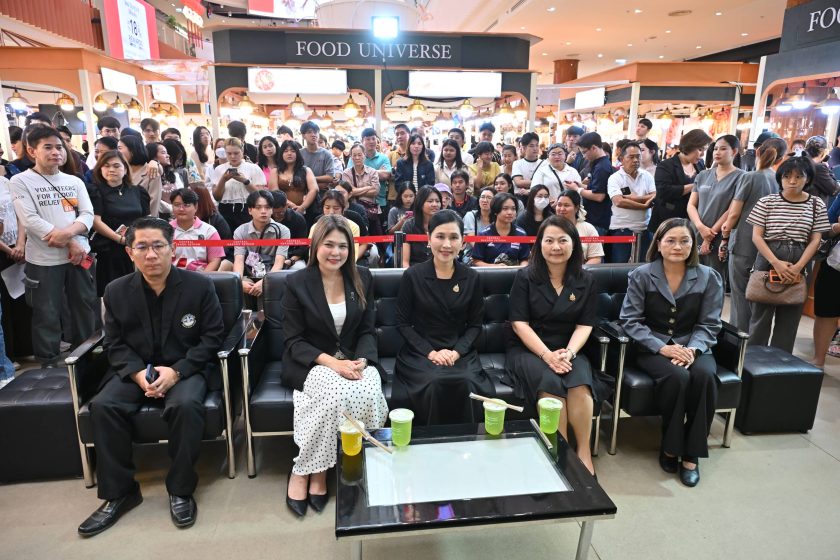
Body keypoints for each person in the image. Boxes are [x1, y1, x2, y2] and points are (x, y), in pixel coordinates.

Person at [77, 217, 224, 536]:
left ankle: (181, 490)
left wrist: (177, 371)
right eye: (142, 247)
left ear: (173, 248)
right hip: (135, 369)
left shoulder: (200, 286)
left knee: (185, 406)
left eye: (158, 245)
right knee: (104, 406)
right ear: (129, 252)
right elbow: (114, 343)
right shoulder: (116, 291)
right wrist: (137, 375)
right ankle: (120, 493)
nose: (151, 254)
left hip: (185, 367)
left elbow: (212, 338)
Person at [282, 215, 388, 516]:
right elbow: (293, 340)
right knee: (333, 396)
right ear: (316, 245)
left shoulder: (362, 277)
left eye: (343, 246)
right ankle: (307, 470)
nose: (336, 252)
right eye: (329, 244)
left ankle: (355, 461)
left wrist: (362, 361)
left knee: (368, 390)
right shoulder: (297, 282)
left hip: (354, 358)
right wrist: (333, 364)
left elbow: (367, 329)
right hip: (312, 360)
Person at [620, 217, 723, 487]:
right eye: (671, 241)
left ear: (693, 245)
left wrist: (693, 349)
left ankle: (692, 454)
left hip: (694, 346)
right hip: (652, 347)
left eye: (684, 241)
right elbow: (630, 321)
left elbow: (710, 323)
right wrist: (663, 348)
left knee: (704, 377)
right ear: (659, 244)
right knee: (677, 377)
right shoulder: (642, 275)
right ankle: (670, 447)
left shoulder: (709, 277)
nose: (678, 247)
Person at [507, 215, 598, 475]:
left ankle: (584, 452)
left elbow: (585, 325)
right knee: (551, 382)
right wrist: (547, 356)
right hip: (530, 349)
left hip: (569, 348)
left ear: (574, 243)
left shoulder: (586, 279)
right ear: (539, 244)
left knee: (579, 383)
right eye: (549, 241)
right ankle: (561, 451)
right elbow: (519, 324)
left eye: (562, 240)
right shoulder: (525, 277)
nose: (556, 247)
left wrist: (569, 353)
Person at [393, 209, 494, 425]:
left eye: (453, 237)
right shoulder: (413, 275)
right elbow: (402, 323)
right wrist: (431, 353)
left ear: (463, 242)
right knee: (434, 382)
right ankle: (431, 442)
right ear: (428, 239)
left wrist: (456, 353)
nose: (447, 244)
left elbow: (475, 325)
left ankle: (466, 443)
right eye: (440, 236)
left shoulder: (472, 277)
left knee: (466, 382)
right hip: (420, 352)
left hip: (460, 352)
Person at [11, 126, 96, 367]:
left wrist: (69, 236)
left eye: (59, 147)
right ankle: (48, 365)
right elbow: (30, 219)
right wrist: (70, 241)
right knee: (46, 314)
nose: (56, 152)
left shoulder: (74, 180)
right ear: (32, 151)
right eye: (47, 147)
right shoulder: (20, 181)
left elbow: (88, 214)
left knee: (84, 309)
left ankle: (86, 359)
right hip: (44, 261)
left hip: (79, 257)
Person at [746, 157, 830, 353]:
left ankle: (780, 364)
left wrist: (799, 267)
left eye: (799, 176)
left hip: (801, 257)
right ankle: (753, 363)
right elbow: (757, 236)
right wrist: (775, 262)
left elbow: (816, 240)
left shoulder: (816, 204)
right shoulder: (767, 201)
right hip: (768, 256)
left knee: (790, 319)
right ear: (780, 178)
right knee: (760, 317)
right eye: (787, 176)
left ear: (808, 179)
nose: (792, 181)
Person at [719, 137, 788, 333]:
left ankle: (738, 341)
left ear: (757, 152)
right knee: (759, 297)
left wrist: (725, 236)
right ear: (780, 159)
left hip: (743, 243)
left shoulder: (749, 177)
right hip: (768, 247)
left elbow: (734, 213)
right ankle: (754, 340)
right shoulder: (779, 181)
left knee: (740, 297)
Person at [88, 150, 150, 296]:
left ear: (125, 169)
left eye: (116, 166)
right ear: (100, 169)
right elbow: (96, 222)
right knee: (113, 292)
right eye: (106, 166)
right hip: (109, 250)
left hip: (136, 247)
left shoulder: (137, 191)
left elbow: (146, 217)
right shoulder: (95, 191)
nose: (111, 170)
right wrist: (120, 239)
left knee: (138, 290)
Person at [686, 135, 745, 278]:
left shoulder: (742, 177)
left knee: (715, 278)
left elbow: (731, 210)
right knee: (691, 276)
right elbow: (691, 205)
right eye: (715, 149)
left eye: (723, 149)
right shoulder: (703, 175)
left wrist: (709, 235)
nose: (717, 152)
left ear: (734, 151)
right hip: (697, 232)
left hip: (719, 236)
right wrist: (700, 227)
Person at [648, 129, 711, 233]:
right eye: (700, 149)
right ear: (690, 146)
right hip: (667, 218)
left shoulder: (700, 165)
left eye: (704, 150)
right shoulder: (666, 165)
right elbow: (664, 191)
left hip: (691, 220)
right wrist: (695, 185)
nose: (702, 154)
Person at [232, 190, 290, 299]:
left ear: (272, 210)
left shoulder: (283, 231)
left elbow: (279, 262)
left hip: (272, 272)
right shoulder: (240, 231)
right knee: (240, 284)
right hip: (249, 272)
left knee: (274, 283)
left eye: (267, 207)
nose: (263, 211)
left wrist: (265, 282)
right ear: (250, 210)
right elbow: (239, 260)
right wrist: (239, 282)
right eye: (258, 208)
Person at [607, 141, 656, 263]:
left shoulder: (647, 176)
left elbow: (655, 196)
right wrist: (644, 205)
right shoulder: (615, 178)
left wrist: (631, 198)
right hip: (622, 229)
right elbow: (619, 201)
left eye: (638, 156)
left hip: (645, 228)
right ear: (621, 159)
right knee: (619, 266)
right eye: (631, 157)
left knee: (644, 265)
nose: (635, 160)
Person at [564, 132, 613, 240]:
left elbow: (599, 196)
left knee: (592, 250)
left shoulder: (602, 167)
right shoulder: (599, 164)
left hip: (597, 220)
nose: (584, 156)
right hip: (593, 218)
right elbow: (596, 188)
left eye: (584, 152)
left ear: (594, 148)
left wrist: (577, 189)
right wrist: (580, 185)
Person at [211, 138, 267, 230]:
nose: (233, 156)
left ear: (242, 151)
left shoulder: (253, 168)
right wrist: (223, 180)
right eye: (229, 153)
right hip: (225, 209)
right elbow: (217, 197)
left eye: (236, 153)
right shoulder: (219, 169)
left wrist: (245, 181)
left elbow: (260, 195)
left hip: (247, 209)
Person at [169, 188, 224, 273]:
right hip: (172, 275)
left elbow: (215, 260)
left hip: (201, 275)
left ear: (196, 207)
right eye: (177, 205)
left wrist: (202, 278)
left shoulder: (209, 231)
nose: (181, 209)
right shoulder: (165, 230)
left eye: (186, 205)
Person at [471, 193, 530, 267]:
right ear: (495, 211)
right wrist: (495, 267)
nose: (510, 212)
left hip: (514, 273)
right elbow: (476, 261)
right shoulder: (483, 234)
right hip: (489, 273)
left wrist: (520, 268)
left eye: (513, 209)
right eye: (505, 208)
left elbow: (524, 259)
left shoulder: (521, 234)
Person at [342, 143, 383, 237]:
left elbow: (376, 191)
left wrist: (355, 191)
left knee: (374, 239)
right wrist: (368, 187)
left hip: (371, 211)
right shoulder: (346, 173)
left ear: (364, 155)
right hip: (353, 211)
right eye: (354, 155)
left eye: (359, 155)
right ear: (351, 157)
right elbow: (349, 192)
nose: (357, 158)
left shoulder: (372, 172)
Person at [275, 139, 320, 226]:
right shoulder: (275, 171)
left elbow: (314, 189)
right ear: (281, 154)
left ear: (297, 154)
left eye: (293, 151)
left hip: (305, 211)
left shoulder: (306, 170)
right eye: (286, 151)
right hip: (282, 212)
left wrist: (302, 207)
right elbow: (275, 191)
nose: (289, 153)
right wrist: (292, 206)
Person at [119, 135, 163, 218]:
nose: (117, 152)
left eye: (120, 148)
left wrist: (149, 223)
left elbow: (153, 203)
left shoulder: (151, 172)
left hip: (143, 222)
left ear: (132, 150)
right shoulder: (121, 171)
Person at [555, 190, 604, 264]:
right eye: (559, 205)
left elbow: (595, 258)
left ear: (576, 208)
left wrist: (580, 270)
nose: (562, 209)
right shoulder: (549, 228)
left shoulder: (588, 228)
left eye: (566, 205)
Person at [401, 185, 442, 267]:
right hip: (415, 270)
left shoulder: (444, 224)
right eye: (430, 201)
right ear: (420, 203)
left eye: (437, 201)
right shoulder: (409, 226)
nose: (435, 204)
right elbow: (405, 262)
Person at [270, 191, 308, 270]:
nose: (277, 216)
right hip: (268, 257)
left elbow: (302, 246)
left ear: (286, 206)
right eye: (274, 213)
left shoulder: (297, 219)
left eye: (280, 212)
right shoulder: (266, 218)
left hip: (290, 256)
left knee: (299, 268)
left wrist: (291, 260)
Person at [360, 128, 392, 217]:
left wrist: (362, 173)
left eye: (373, 138)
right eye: (368, 139)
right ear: (362, 141)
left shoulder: (384, 158)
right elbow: (352, 176)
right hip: (360, 202)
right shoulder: (356, 157)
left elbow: (386, 175)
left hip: (380, 202)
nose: (371, 141)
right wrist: (378, 172)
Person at [299, 121, 337, 193]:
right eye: (309, 132)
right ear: (303, 136)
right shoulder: (299, 153)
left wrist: (309, 179)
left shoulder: (327, 154)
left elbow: (330, 177)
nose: (313, 135)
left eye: (315, 132)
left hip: (322, 192)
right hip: (302, 191)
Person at [803, 136, 840, 205]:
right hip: (812, 209)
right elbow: (834, 190)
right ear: (823, 152)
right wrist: (827, 168)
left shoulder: (799, 163)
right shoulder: (819, 168)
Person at [463, 187, 494, 262]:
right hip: (472, 254)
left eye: (489, 198)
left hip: (494, 253)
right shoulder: (470, 215)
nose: (485, 200)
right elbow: (472, 240)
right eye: (482, 197)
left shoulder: (498, 217)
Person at [511, 132, 545, 197]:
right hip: (522, 198)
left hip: (538, 197)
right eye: (531, 146)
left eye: (537, 145)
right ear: (524, 148)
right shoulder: (517, 163)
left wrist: (526, 183)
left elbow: (547, 182)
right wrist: (540, 182)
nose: (535, 148)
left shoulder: (544, 163)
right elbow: (518, 183)